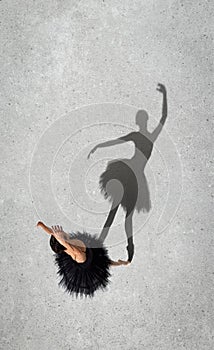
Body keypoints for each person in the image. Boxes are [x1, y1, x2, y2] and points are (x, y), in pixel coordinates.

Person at [88, 83, 168, 263]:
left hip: (133, 177)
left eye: (141, 120)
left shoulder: (144, 136)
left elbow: (164, 117)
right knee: (119, 212)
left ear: (142, 122)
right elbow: (116, 141)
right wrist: (99, 145)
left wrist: (164, 95)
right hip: (127, 174)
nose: (140, 122)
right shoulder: (143, 136)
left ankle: (124, 250)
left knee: (124, 215)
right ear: (142, 121)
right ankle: (105, 246)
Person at [36, 221, 130, 298]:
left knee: (102, 258)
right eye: (61, 234)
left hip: (83, 249)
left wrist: (42, 225)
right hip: (88, 260)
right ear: (63, 241)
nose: (62, 230)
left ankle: (120, 263)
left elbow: (52, 233)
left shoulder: (64, 241)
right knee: (105, 262)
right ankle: (121, 263)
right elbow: (69, 246)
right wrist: (62, 240)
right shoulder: (76, 251)